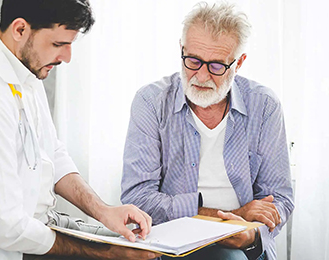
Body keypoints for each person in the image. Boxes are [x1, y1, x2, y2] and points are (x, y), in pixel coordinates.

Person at [0, 0, 160, 259]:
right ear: (20, 29)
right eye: (59, 44)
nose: (67, 57)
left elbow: (51, 153)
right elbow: (7, 227)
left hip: (28, 234)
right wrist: (103, 251)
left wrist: (104, 211)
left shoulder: (23, 66)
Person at [121, 2, 294, 260]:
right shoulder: (151, 101)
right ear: (181, 49)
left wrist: (250, 233)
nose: (201, 76)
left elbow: (279, 198)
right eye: (193, 61)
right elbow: (138, 198)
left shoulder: (265, 105)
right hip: (171, 242)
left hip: (243, 242)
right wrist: (227, 218)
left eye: (216, 66)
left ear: (239, 63)